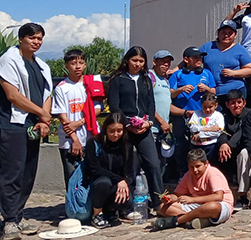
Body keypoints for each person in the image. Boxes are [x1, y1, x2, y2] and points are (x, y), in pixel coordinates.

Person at [0, 23, 53, 240]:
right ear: (21, 38)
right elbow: (13, 95)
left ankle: (19, 214)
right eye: (32, 38)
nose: (36, 42)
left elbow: (47, 92)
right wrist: (41, 113)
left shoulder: (42, 65)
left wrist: (44, 118)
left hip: (33, 124)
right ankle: (9, 221)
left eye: (40, 38)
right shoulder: (8, 61)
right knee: (11, 172)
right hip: (12, 124)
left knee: (28, 172)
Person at [107, 46, 164, 213]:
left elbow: (151, 104)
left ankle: (159, 201)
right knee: (128, 166)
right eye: (134, 60)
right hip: (125, 129)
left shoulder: (146, 80)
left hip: (144, 128)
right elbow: (114, 105)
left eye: (141, 61)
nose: (137, 64)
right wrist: (127, 124)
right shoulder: (118, 79)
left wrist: (149, 122)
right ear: (127, 60)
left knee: (153, 164)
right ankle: (126, 204)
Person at [152, 147, 234, 230]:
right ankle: (198, 219)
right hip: (197, 206)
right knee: (162, 207)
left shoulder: (213, 173)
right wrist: (170, 198)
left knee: (212, 207)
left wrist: (192, 200)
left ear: (206, 164)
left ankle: (176, 221)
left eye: (198, 166)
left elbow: (218, 197)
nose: (195, 170)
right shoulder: (188, 175)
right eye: (191, 167)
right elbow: (177, 195)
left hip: (220, 205)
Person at [169, 47, 218, 177]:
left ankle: (204, 173)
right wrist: (181, 89)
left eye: (200, 57)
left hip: (201, 115)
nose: (199, 60)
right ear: (186, 59)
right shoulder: (177, 75)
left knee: (202, 144)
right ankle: (182, 173)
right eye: (195, 57)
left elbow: (214, 92)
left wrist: (207, 88)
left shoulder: (206, 73)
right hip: (182, 115)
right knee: (181, 144)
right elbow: (171, 94)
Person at [51, 48, 95, 189]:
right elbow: (63, 117)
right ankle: (74, 208)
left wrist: (80, 122)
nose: (77, 66)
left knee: (92, 176)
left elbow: (97, 109)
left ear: (85, 65)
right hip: (69, 141)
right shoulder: (61, 88)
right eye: (73, 63)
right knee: (72, 179)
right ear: (66, 66)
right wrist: (75, 140)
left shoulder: (90, 84)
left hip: (90, 138)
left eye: (81, 63)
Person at [85, 113, 134, 229]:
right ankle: (97, 214)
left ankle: (112, 211)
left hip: (117, 186)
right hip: (98, 184)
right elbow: (94, 169)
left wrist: (125, 182)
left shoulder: (126, 145)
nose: (116, 135)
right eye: (112, 131)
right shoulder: (93, 143)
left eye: (119, 131)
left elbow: (129, 172)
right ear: (105, 129)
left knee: (126, 199)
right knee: (104, 182)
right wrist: (119, 180)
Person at [200, 21, 251, 101]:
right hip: (211, 91)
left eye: (230, 33)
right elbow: (190, 59)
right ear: (218, 33)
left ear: (235, 35)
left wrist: (233, 73)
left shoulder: (240, 50)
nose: (226, 35)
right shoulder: (208, 47)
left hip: (234, 91)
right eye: (223, 32)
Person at [216, 89, 251, 177]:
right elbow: (220, 130)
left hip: (242, 144)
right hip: (226, 146)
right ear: (227, 104)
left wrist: (229, 144)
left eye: (239, 102)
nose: (236, 105)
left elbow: (243, 130)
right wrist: (223, 143)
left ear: (244, 103)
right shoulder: (221, 115)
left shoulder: (249, 114)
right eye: (233, 103)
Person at [187, 93, 226, 162]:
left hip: (210, 145)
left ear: (216, 105)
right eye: (204, 107)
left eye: (210, 107)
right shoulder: (197, 114)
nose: (207, 110)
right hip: (196, 145)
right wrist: (208, 129)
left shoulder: (218, 116)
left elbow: (217, 132)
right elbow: (192, 128)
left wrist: (199, 135)